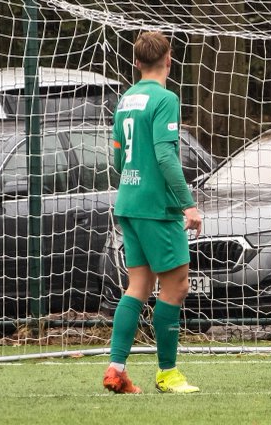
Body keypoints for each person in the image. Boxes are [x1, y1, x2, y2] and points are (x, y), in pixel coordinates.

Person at [103, 31, 203, 395]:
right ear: (169, 59)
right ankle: (168, 373)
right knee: (176, 287)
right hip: (156, 207)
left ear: (136, 62)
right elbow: (165, 155)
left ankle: (117, 368)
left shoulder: (125, 99)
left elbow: (117, 158)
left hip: (128, 201)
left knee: (139, 285)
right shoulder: (165, 98)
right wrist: (187, 203)